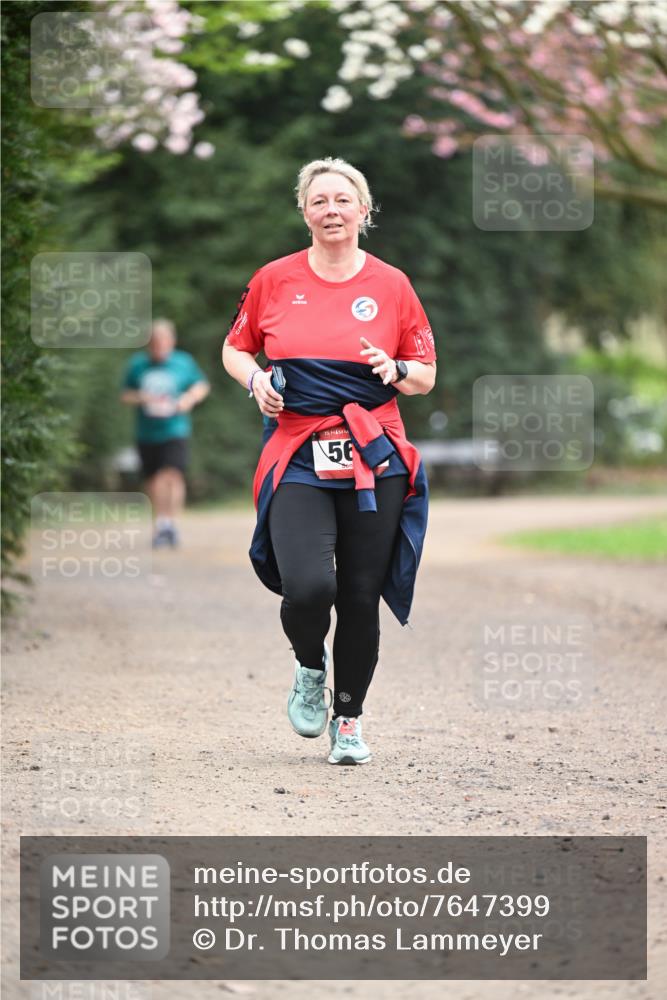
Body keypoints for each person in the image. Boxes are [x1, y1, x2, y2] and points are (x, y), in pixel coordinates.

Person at [222, 156, 436, 765]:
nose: (332, 210)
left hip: (376, 453)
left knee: (361, 594)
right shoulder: (273, 279)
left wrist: (394, 369)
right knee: (311, 586)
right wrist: (256, 379)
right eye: (320, 201)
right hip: (297, 448)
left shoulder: (392, 285)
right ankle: (309, 665)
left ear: (364, 211)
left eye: (344, 200)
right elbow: (235, 349)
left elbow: (425, 374)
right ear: (304, 212)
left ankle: (349, 720)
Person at [121, 319, 209, 547]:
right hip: (147, 432)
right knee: (153, 479)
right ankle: (161, 523)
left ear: (171, 342)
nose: (159, 347)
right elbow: (125, 394)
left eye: (163, 343)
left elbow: (201, 385)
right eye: (154, 343)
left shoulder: (183, 362)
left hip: (175, 428)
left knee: (172, 474)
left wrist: (188, 399)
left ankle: (170, 524)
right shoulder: (138, 364)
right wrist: (142, 397)